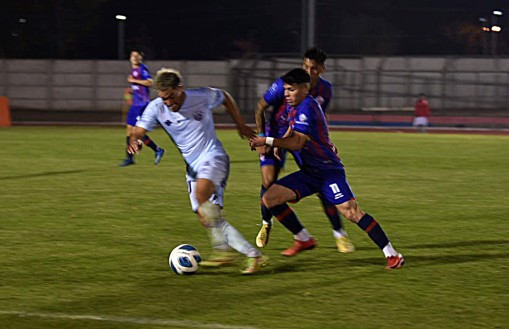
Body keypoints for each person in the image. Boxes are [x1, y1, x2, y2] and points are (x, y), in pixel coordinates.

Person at [249, 68, 404, 269]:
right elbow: (291, 129)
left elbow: (297, 143)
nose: (286, 94)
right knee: (270, 198)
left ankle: (392, 254)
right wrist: (277, 145)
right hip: (310, 173)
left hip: (328, 171)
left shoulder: (308, 106)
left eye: (291, 90)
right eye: (286, 89)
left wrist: (268, 140)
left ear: (305, 89)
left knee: (352, 213)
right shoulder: (293, 105)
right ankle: (303, 238)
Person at [127, 68, 266, 274]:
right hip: (192, 167)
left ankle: (224, 252)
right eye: (164, 99)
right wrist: (135, 140)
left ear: (180, 89)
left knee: (202, 195)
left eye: (171, 97)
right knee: (207, 218)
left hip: (213, 157)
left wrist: (240, 124)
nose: (169, 103)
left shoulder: (200, 96)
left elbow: (225, 97)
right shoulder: (156, 108)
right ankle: (249, 255)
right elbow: (138, 131)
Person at [254, 47, 355, 253]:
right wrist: (264, 137)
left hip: (301, 138)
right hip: (276, 133)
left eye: (314, 68)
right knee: (268, 180)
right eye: (306, 66)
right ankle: (268, 224)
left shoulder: (325, 90)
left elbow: (320, 117)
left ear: (322, 70)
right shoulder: (287, 83)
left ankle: (340, 234)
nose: (309, 71)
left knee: (320, 180)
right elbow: (260, 106)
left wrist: (327, 141)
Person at [120, 50, 165, 166]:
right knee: (129, 131)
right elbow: (140, 88)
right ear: (130, 58)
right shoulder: (134, 70)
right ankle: (130, 158)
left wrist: (133, 80)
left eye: (136, 56)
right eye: (132, 55)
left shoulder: (142, 68)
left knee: (136, 132)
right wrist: (132, 90)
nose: (134, 57)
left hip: (141, 105)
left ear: (140, 58)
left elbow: (150, 82)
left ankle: (157, 150)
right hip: (135, 104)